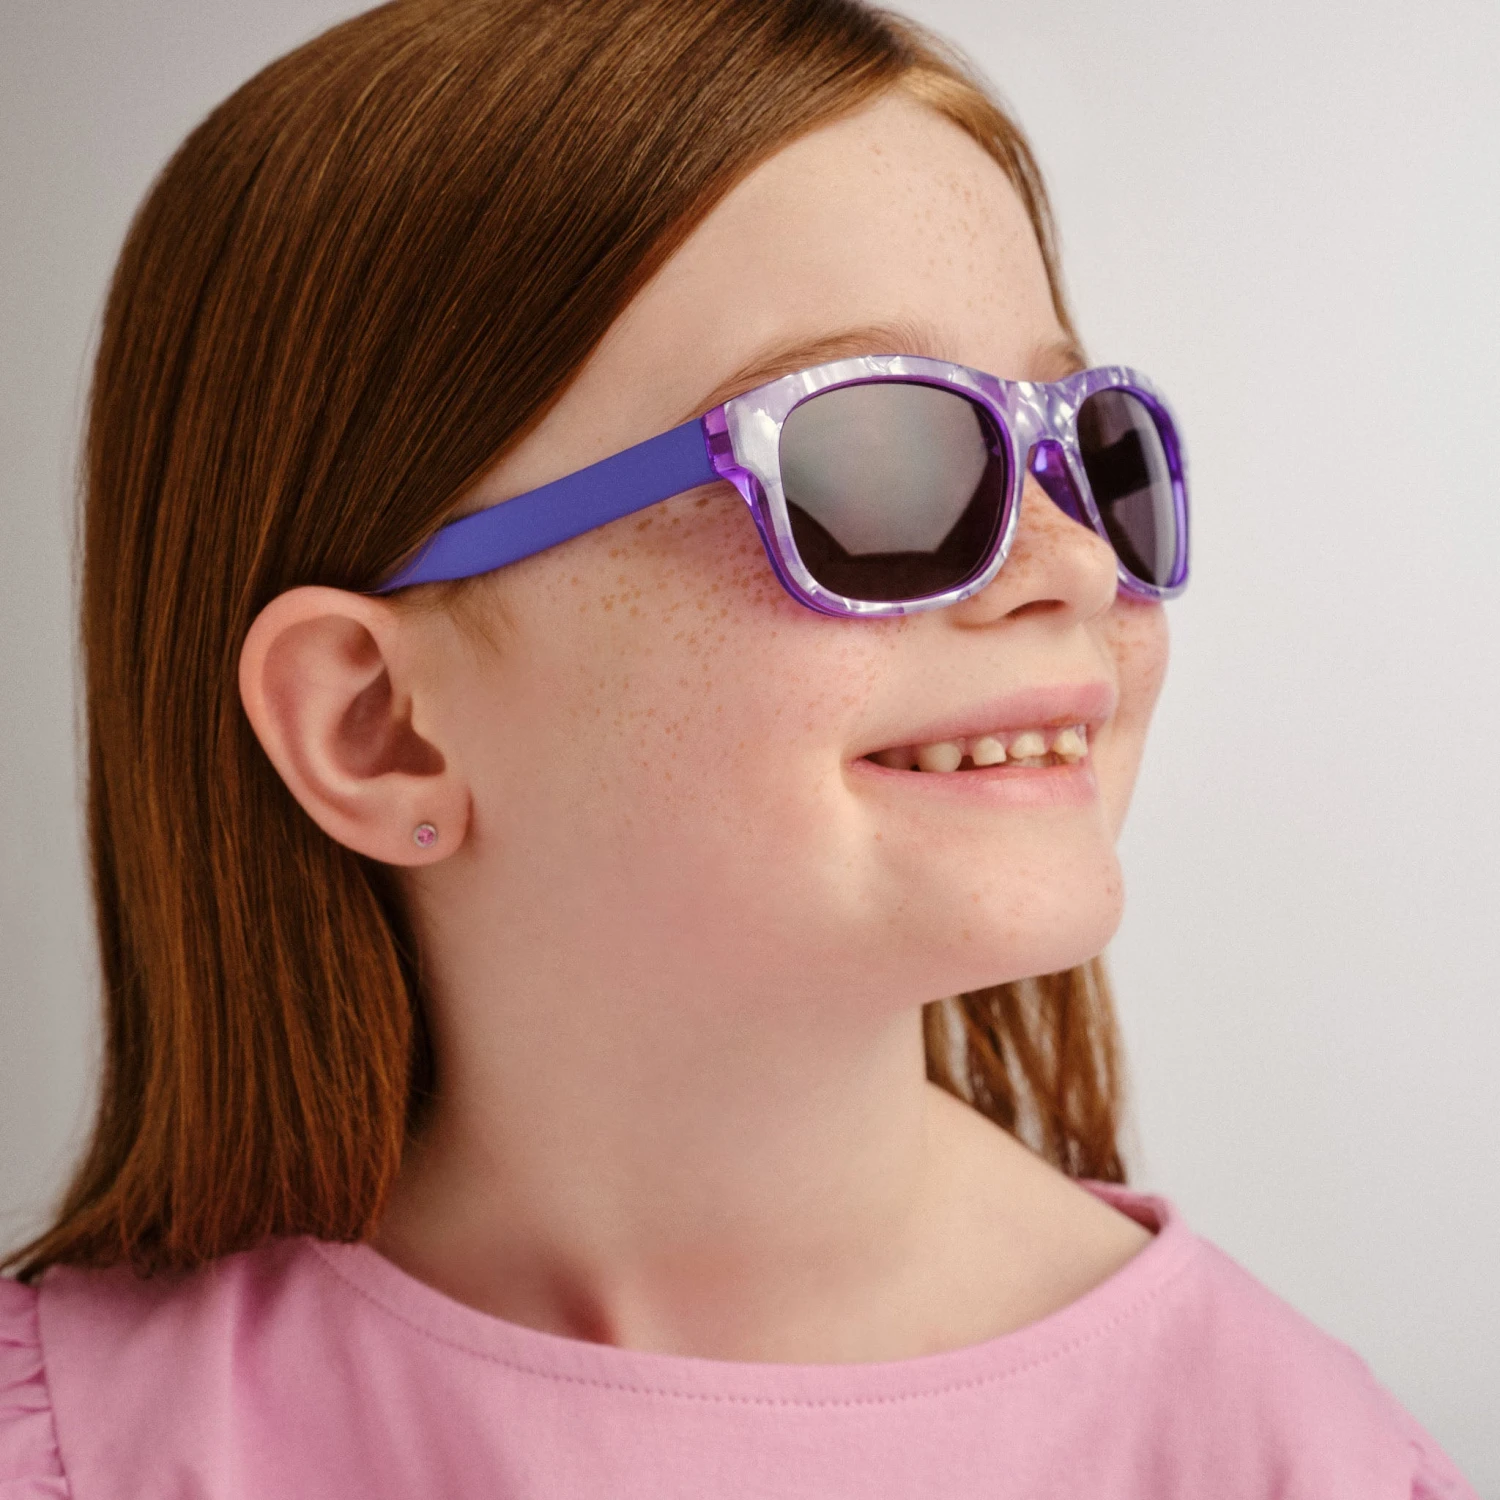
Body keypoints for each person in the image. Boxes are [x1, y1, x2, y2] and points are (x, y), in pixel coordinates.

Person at [0, 1, 1478, 1495]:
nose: (1077, 564)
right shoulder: (80, 1453)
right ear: (378, 725)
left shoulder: (1301, 1464)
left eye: (1088, 455)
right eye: (875, 457)